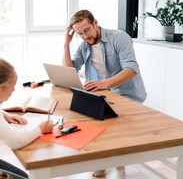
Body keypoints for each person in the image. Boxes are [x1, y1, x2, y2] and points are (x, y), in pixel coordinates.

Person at [63, 9, 147, 177]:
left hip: (126, 93)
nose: (85, 36)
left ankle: (107, 161)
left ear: (95, 23)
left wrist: (104, 84)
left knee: (105, 123)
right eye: (80, 34)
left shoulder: (119, 37)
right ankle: (102, 159)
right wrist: (66, 43)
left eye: (86, 30)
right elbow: (69, 70)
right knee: (84, 115)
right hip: (105, 92)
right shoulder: (84, 45)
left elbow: (131, 69)